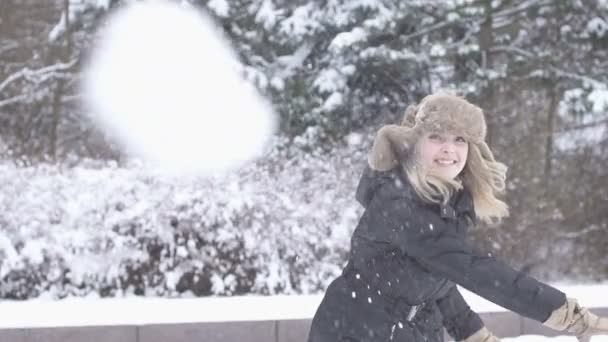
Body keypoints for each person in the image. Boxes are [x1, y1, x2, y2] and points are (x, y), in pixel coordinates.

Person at [307, 92, 608, 342]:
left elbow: (435, 282)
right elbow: (472, 269)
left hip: (404, 331)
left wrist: (473, 334)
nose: (450, 149)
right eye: (436, 137)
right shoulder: (399, 204)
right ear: (414, 144)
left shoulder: (441, 204)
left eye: (460, 139)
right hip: (356, 332)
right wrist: (566, 314)